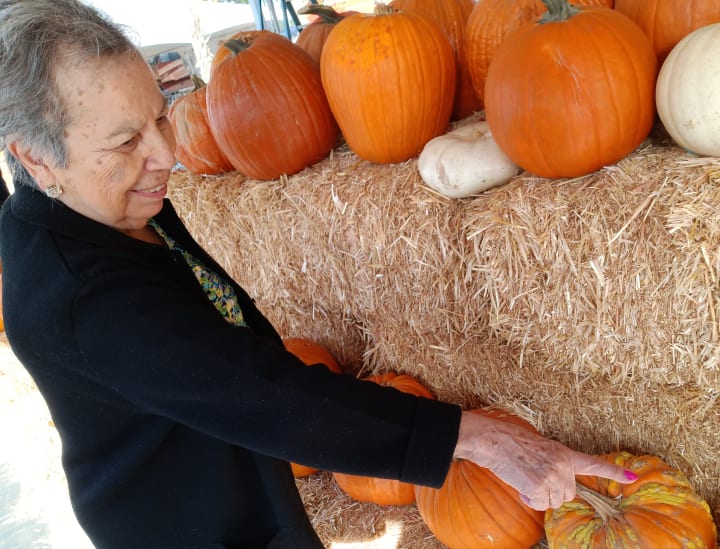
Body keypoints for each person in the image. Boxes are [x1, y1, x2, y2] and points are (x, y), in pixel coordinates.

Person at [0, 1, 637, 547]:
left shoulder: (99, 203)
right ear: (34, 156)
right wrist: (479, 441)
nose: (165, 154)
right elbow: (263, 397)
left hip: (233, 469)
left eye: (160, 117)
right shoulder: (85, 299)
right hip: (194, 525)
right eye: (124, 142)